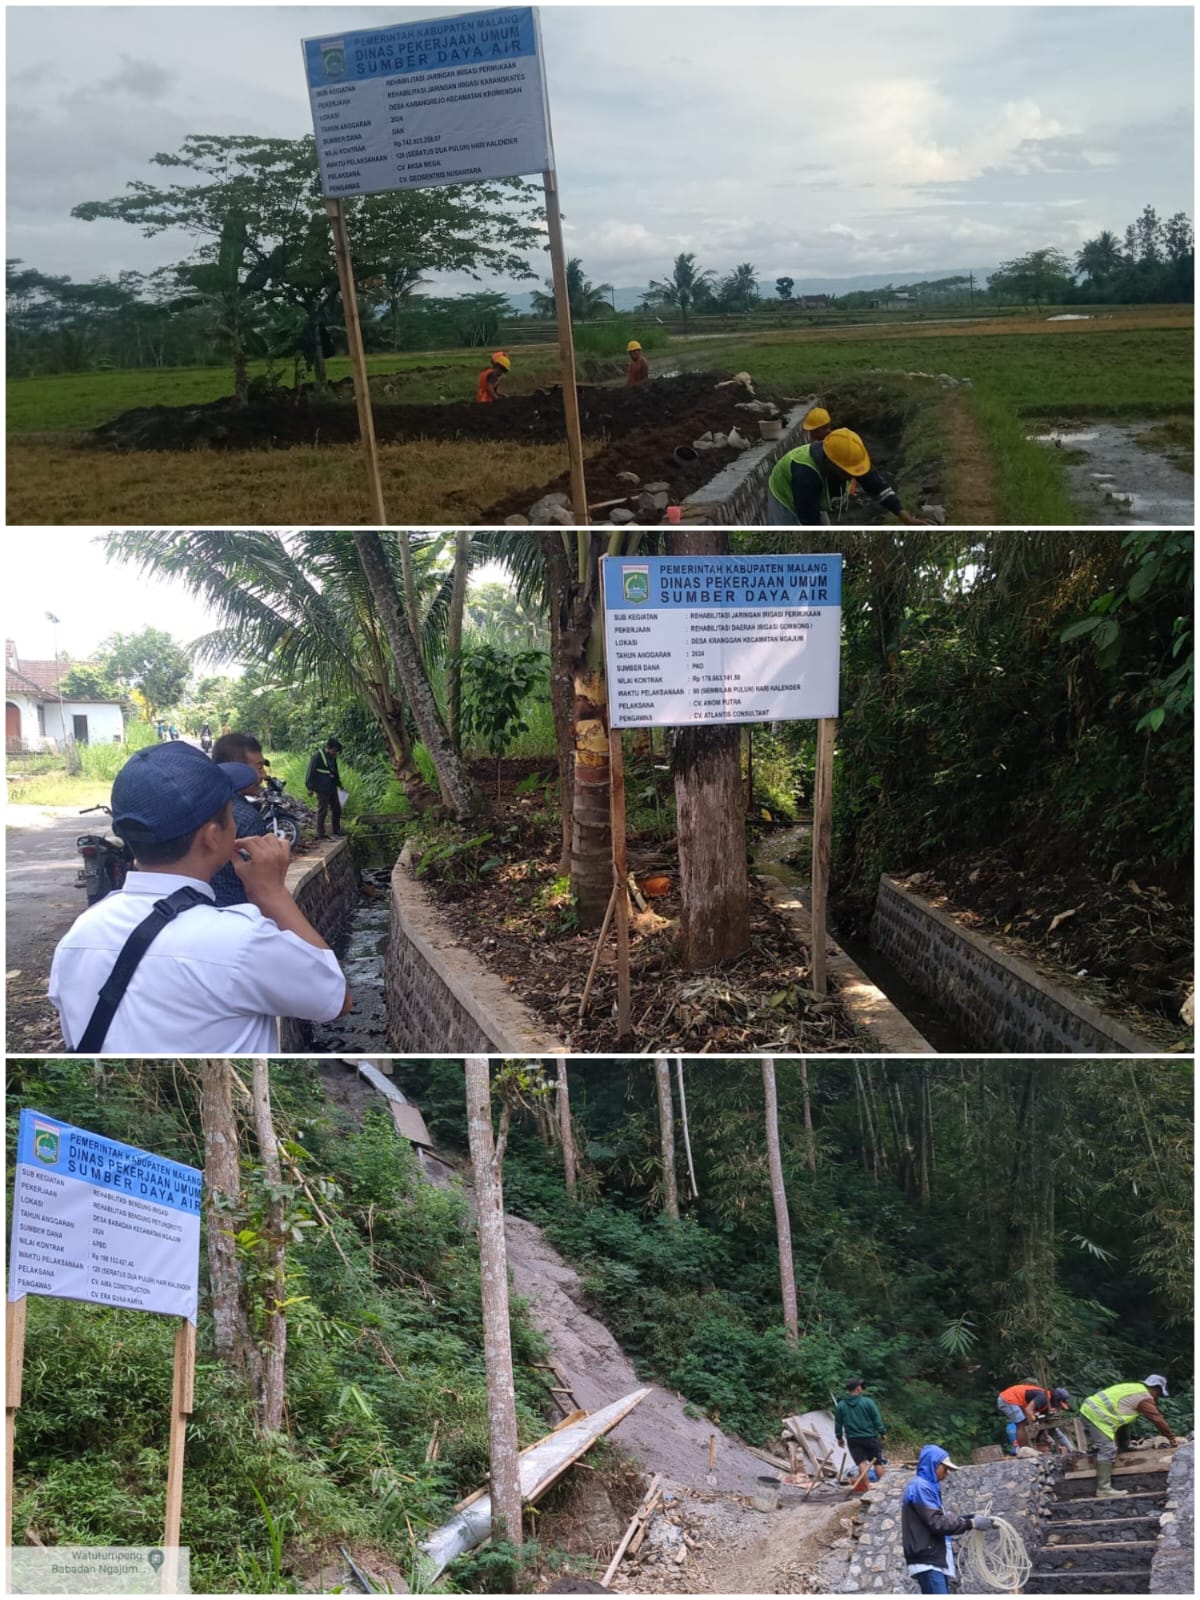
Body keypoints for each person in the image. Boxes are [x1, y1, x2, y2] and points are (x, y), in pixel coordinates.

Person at [48, 741, 351, 1053]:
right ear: (213, 836)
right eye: (232, 812)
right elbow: (336, 999)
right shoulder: (241, 941)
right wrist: (271, 892)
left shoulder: (79, 935)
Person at [766, 428, 929, 526]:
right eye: (847, 472)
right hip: (783, 496)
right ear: (831, 464)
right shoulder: (807, 476)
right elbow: (809, 523)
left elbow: (877, 486)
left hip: (812, 493)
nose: (853, 476)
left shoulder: (851, 458)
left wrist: (906, 517)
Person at [901, 1445, 994, 1595]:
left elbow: (938, 1519)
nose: (947, 1473)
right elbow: (937, 1523)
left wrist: (971, 1518)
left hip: (933, 1560)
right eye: (945, 1469)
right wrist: (971, 1523)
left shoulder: (928, 1487)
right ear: (934, 1465)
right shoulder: (920, 1487)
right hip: (928, 1561)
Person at [1079, 1376, 1178, 1497]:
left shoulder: (1134, 1389)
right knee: (1107, 1449)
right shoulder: (1144, 1398)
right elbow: (1157, 1419)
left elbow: (1123, 1421)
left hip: (1091, 1410)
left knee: (1119, 1433)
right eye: (1159, 1394)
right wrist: (1171, 1438)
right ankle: (1103, 1488)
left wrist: (1124, 1445)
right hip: (1095, 1415)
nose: (1157, 1398)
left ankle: (1124, 1446)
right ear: (1156, 1389)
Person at [209, 732, 269, 908]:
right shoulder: (248, 819)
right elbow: (262, 888)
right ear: (237, 770)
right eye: (258, 768)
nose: (263, 775)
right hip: (241, 911)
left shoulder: (201, 810)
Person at [835, 1378, 889, 1484]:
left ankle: (867, 1488)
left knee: (861, 1463)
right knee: (877, 1462)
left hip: (853, 1439)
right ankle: (883, 1488)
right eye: (861, 1386)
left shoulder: (841, 1405)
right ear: (858, 1389)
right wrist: (882, 1432)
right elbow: (876, 1419)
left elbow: (838, 1423)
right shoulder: (867, 1402)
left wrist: (839, 1437)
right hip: (870, 1437)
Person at [996, 1381, 1071, 1455]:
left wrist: (1046, 1437)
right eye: (1059, 1405)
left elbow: (1043, 1423)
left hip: (1018, 1402)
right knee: (1022, 1423)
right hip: (1007, 1399)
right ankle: (1024, 1450)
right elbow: (1029, 1410)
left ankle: (1071, 1449)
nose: (1058, 1407)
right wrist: (1034, 1420)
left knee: (1030, 1421)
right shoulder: (1044, 1397)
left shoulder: (1047, 1405)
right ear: (1056, 1400)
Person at [306, 736, 344, 839]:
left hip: (332, 787)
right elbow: (310, 772)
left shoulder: (332, 758)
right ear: (330, 748)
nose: (335, 753)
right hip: (322, 788)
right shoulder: (317, 756)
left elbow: (335, 772)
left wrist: (340, 785)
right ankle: (320, 833)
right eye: (335, 751)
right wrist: (310, 788)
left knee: (337, 808)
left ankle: (336, 830)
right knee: (322, 810)